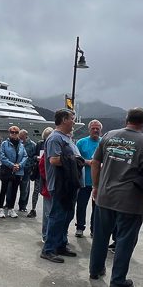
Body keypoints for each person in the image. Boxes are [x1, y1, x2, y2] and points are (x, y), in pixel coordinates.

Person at [88, 109, 143, 287]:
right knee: (125, 240)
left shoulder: (108, 136)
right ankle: (118, 280)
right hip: (130, 201)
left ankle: (95, 270)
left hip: (105, 196)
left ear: (126, 120)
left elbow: (95, 163)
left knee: (100, 236)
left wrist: (96, 186)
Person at [41, 110, 81, 263]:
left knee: (66, 216)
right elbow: (54, 160)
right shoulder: (55, 138)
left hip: (69, 184)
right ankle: (48, 249)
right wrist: (76, 160)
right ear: (64, 120)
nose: (74, 121)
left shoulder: (67, 137)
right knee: (57, 217)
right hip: (60, 184)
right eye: (72, 119)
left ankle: (61, 245)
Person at [75, 120, 103, 238]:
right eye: (93, 128)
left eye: (97, 128)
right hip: (84, 181)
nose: (95, 130)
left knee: (97, 208)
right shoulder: (81, 142)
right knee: (81, 205)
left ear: (101, 130)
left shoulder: (104, 142)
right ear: (89, 129)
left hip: (99, 182)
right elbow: (75, 158)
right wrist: (88, 162)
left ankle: (94, 229)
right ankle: (80, 227)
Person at [0, 126, 28, 218]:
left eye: (15, 132)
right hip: (6, 170)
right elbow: (2, 156)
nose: (13, 134)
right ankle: (1, 209)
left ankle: (11, 208)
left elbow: (25, 156)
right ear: (9, 133)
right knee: (4, 189)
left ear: (18, 133)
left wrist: (19, 165)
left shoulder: (21, 145)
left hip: (18, 171)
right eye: (12, 132)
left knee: (14, 190)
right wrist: (12, 165)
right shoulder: (4, 144)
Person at [31, 126, 53, 224]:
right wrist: (38, 158)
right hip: (39, 171)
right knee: (36, 190)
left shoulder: (53, 143)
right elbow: (33, 156)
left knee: (47, 192)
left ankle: (48, 212)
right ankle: (33, 208)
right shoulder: (40, 144)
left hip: (49, 172)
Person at [17, 130, 36, 213]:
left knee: (25, 189)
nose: (20, 138)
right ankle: (8, 203)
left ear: (26, 136)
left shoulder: (32, 145)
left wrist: (30, 166)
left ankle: (23, 205)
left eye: (21, 137)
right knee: (12, 187)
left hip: (26, 169)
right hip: (17, 168)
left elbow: (34, 157)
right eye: (19, 137)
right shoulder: (17, 143)